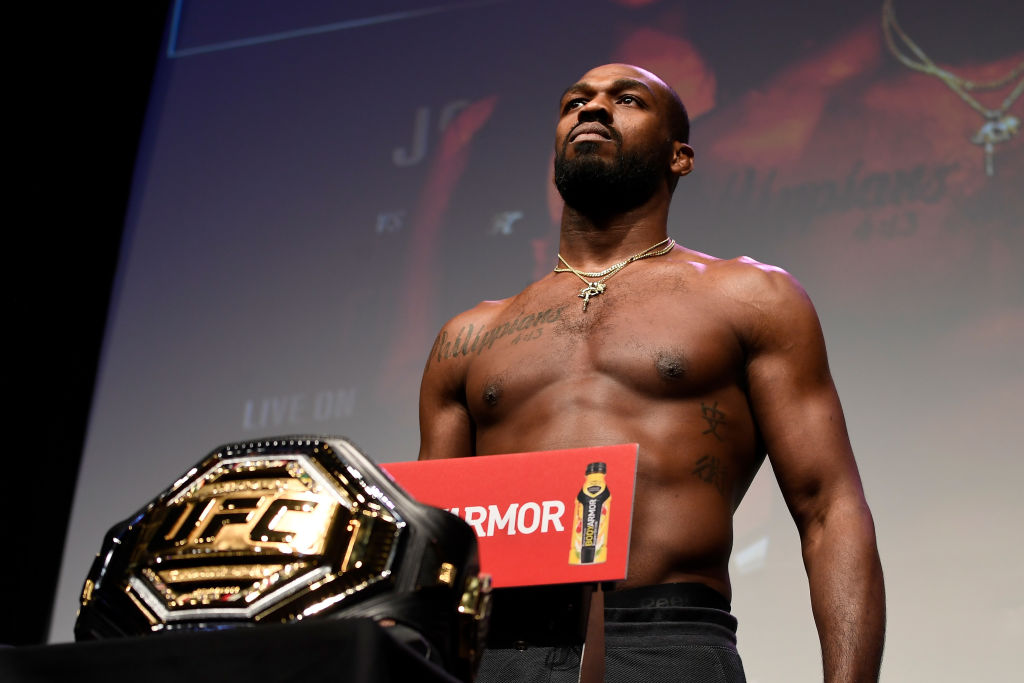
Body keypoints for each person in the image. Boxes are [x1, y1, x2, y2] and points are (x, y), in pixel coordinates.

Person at [418, 63, 885, 683]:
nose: (592, 108)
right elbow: (429, 548)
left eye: (627, 99)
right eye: (575, 102)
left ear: (680, 157)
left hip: (667, 642)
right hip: (498, 650)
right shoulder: (469, 334)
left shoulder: (748, 297)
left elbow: (829, 508)